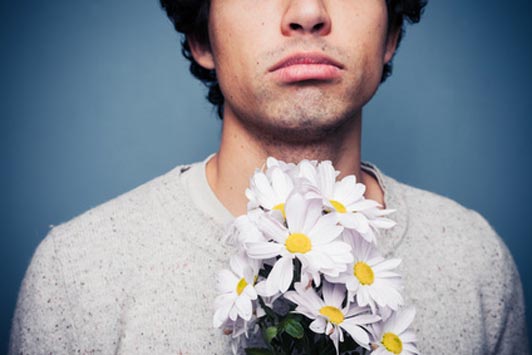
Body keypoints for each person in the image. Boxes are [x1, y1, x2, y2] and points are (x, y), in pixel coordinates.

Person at [9, 0, 529, 353]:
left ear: (390, 32)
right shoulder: (76, 271)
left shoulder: (476, 260)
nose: (307, 12)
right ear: (200, 36)